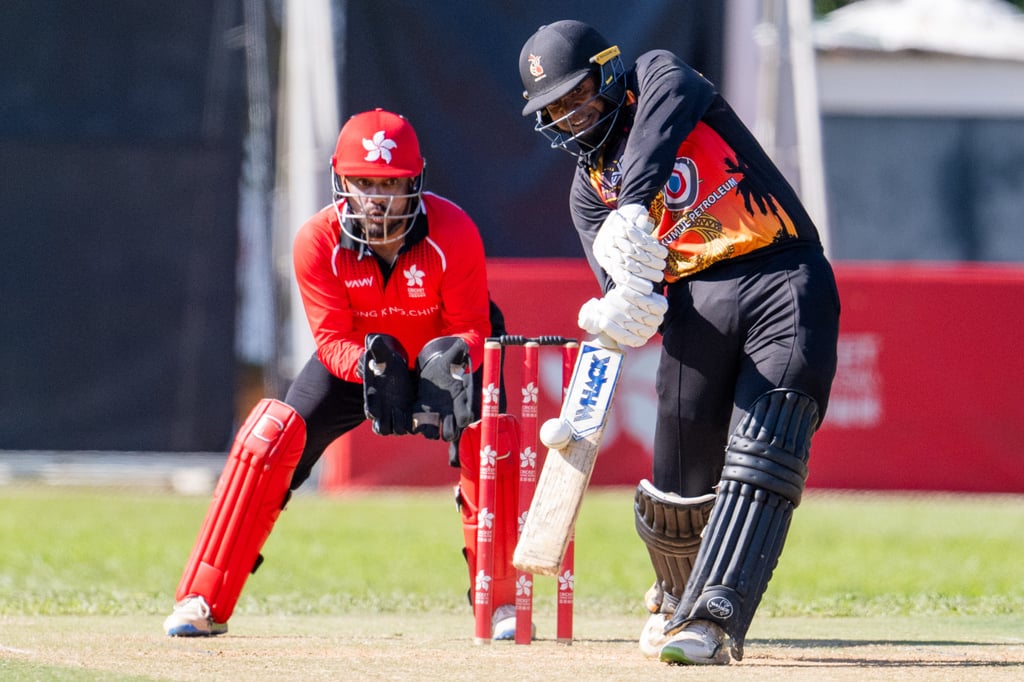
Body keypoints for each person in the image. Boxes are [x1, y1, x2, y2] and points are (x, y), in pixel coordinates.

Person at [517, 21, 841, 665]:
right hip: (697, 307)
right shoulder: (589, 196)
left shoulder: (659, 76)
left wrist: (633, 205)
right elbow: (635, 295)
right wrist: (622, 306)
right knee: (678, 476)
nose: (570, 118)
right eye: (552, 110)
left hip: (781, 273)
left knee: (764, 451)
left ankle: (715, 616)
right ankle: (675, 596)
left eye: (577, 96)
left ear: (609, 77)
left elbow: (659, 132)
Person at [162, 108, 518, 639]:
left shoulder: (455, 231)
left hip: (450, 357)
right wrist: (376, 370)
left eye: (390, 185)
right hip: (360, 357)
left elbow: (472, 326)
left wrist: (439, 367)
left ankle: (502, 604)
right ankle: (202, 599)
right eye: (364, 183)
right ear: (342, 182)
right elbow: (331, 341)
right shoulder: (317, 242)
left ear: (413, 184)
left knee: (492, 446)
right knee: (269, 438)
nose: (377, 199)